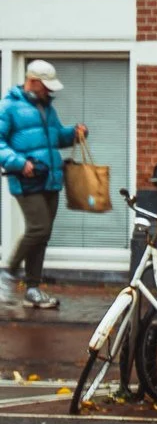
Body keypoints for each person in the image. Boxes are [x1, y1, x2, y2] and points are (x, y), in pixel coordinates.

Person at [1, 60, 86, 310]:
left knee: (43, 235)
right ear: (33, 81)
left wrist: (74, 133)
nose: (49, 92)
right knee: (38, 229)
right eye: (45, 87)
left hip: (50, 179)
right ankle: (7, 273)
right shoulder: (9, 107)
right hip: (26, 179)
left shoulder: (47, 108)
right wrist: (18, 163)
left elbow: (56, 137)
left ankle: (32, 289)